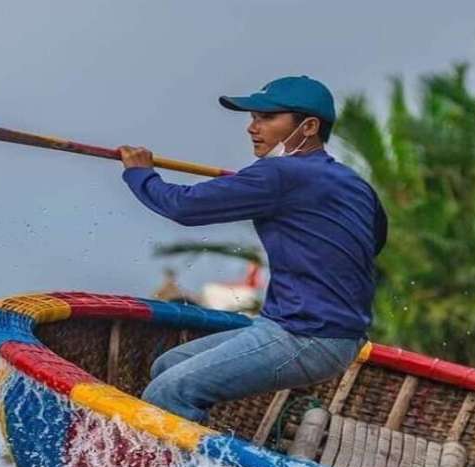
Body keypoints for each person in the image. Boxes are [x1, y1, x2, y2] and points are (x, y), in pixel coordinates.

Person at [118, 75, 387, 424]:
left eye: (266, 118)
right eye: (253, 118)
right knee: (168, 366)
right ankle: (204, 446)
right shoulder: (351, 183)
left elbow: (183, 207)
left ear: (308, 127)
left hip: (308, 337)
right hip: (313, 332)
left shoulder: (279, 175)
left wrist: (141, 174)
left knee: (167, 392)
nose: (252, 128)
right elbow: (375, 239)